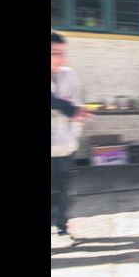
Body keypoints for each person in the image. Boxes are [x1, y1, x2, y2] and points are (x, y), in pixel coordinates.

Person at [51, 31, 88, 241]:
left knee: (65, 192)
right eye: (55, 53)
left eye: (63, 53)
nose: (61, 59)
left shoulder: (70, 76)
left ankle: (62, 227)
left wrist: (74, 137)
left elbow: (78, 109)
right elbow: (68, 107)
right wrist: (66, 108)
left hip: (65, 147)